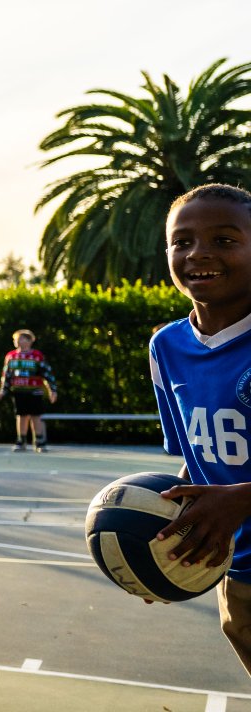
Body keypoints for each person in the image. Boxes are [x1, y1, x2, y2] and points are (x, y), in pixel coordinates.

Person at [147, 183, 251, 677]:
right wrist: (164, 554)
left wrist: (242, 498)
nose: (198, 254)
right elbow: (196, 461)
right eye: (181, 241)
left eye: (225, 240)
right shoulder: (166, 347)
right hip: (239, 569)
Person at [0, 329, 58, 452]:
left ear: (29, 341)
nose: (17, 341)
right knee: (21, 416)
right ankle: (21, 441)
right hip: (19, 391)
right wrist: (3, 390)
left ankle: (40, 442)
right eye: (16, 339)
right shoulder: (11, 356)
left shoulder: (37, 356)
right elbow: (7, 375)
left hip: (35, 391)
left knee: (36, 416)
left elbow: (47, 374)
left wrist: (52, 390)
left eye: (21, 338)